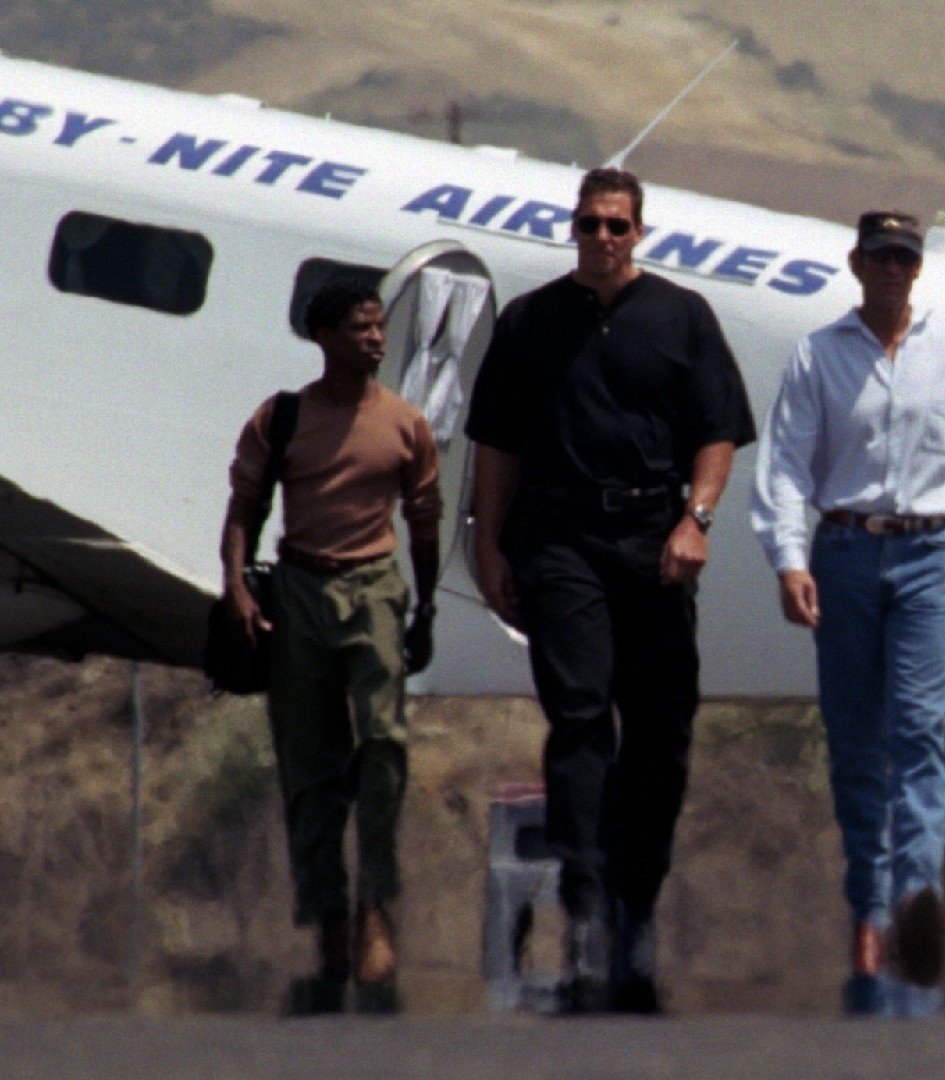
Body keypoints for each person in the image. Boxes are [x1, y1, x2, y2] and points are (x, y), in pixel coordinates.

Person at [465, 167, 756, 1014]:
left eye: (616, 225)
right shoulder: (530, 322)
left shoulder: (681, 317)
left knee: (661, 731)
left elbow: (717, 433)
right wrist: (488, 545)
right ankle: (587, 905)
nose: (601, 237)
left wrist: (696, 519)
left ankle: (637, 901)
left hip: (653, 540)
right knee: (581, 716)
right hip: (559, 540)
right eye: (589, 223)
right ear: (572, 227)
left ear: (639, 233)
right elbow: (495, 445)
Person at [752, 211, 945, 1017]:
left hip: (931, 555)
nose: (893, 268)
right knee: (857, 738)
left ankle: (915, 898)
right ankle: (869, 906)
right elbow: (786, 466)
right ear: (857, 263)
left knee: (921, 730)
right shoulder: (819, 354)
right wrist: (789, 559)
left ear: (918, 267)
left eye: (904, 256)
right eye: (880, 256)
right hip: (846, 554)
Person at [220, 280, 441, 1012]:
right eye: (358, 328)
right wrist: (237, 588)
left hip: (375, 586)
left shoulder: (405, 423)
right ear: (324, 338)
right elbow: (244, 509)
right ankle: (326, 921)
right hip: (300, 589)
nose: (375, 339)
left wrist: (426, 606)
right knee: (310, 765)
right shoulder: (281, 419)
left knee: (382, 745)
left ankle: (376, 905)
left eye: (378, 327)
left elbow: (425, 519)